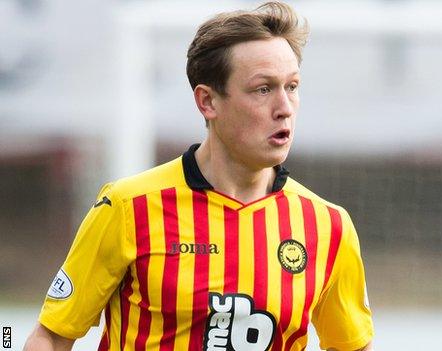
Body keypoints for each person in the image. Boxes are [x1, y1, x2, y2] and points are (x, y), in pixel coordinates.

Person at [24, 2, 374, 350]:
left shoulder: (328, 226)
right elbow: (51, 336)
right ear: (208, 101)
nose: (284, 108)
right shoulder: (128, 208)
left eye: (292, 87)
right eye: (263, 89)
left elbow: (352, 346)